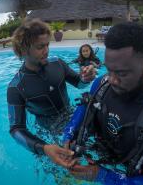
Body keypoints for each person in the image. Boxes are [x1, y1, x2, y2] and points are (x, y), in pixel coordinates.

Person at [63, 22, 143, 184]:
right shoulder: (102, 84)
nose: (112, 80)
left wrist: (101, 176)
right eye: (109, 69)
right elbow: (85, 106)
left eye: (122, 73)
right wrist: (68, 136)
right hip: (98, 151)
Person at [6, 19, 96, 168]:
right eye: (40, 47)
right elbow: (16, 129)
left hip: (72, 116)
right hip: (48, 131)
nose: (47, 50)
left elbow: (79, 83)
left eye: (47, 44)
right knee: (64, 169)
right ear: (23, 50)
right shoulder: (15, 87)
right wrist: (45, 148)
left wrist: (86, 78)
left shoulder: (57, 63)